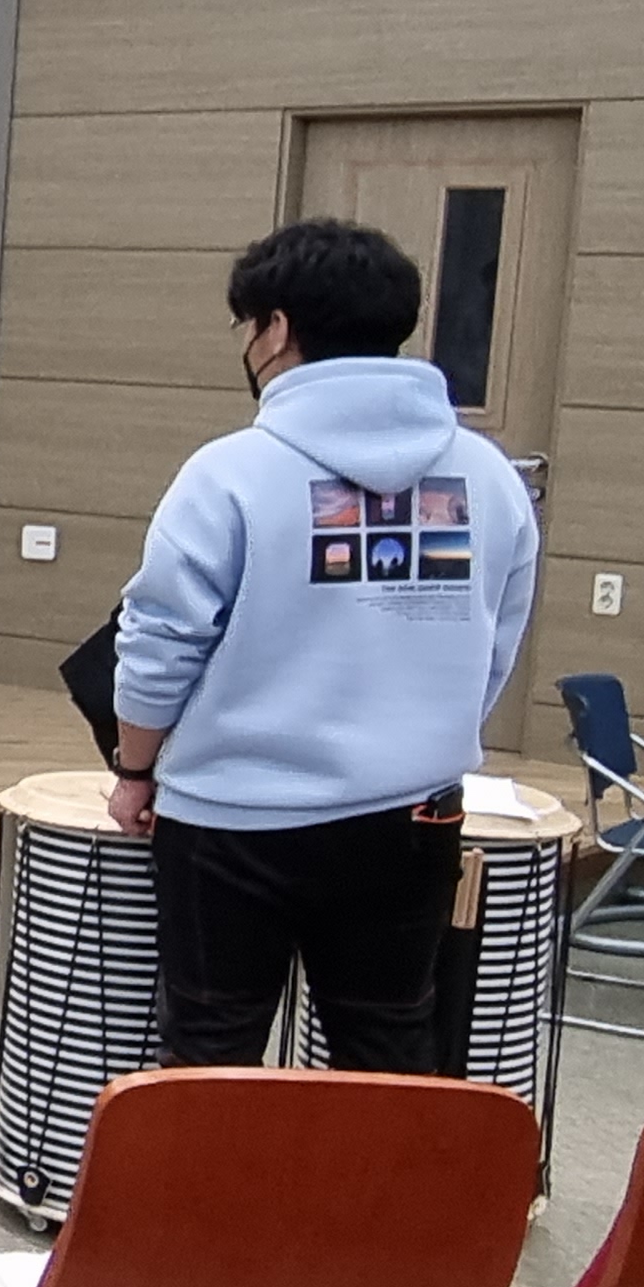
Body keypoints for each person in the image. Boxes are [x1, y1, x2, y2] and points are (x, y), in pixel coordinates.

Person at [105, 218, 539, 1074]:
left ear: (276, 328)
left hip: (233, 817)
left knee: (212, 1052)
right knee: (390, 1051)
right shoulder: (490, 476)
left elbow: (161, 642)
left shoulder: (229, 471)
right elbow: (495, 643)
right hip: (411, 815)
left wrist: (136, 769)